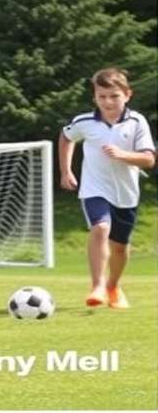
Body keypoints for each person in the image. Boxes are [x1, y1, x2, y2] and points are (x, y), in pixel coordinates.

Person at [59, 67, 156, 309]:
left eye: (114, 96)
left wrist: (123, 155)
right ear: (95, 97)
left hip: (126, 194)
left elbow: (149, 160)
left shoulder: (136, 122)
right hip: (94, 188)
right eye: (102, 96)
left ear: (127, 95)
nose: (108, 101)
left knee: (120, 247)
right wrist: (66, 170)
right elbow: (66, 137)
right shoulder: (84, 122)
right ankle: (97, 285)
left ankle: (113, 286)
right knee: (100, 228)